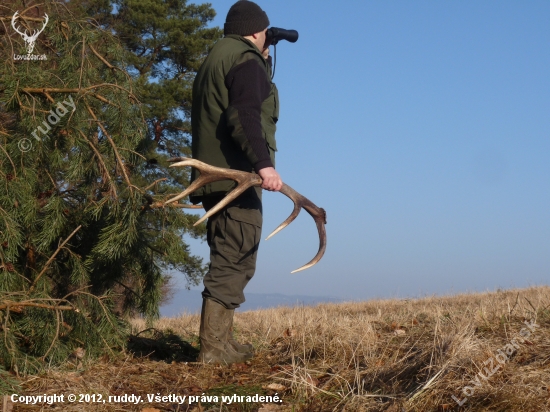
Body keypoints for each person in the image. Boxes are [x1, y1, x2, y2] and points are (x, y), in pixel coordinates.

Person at [189, 0, 282, 364]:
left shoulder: (218, 55)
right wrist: (264, 166)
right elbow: (244, 115)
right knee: (234, 260)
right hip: (236, 179)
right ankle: (212, 352)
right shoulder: (245, 59)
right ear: (257, 32)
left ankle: (223, 344)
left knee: (230, 257)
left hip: (216, 180)